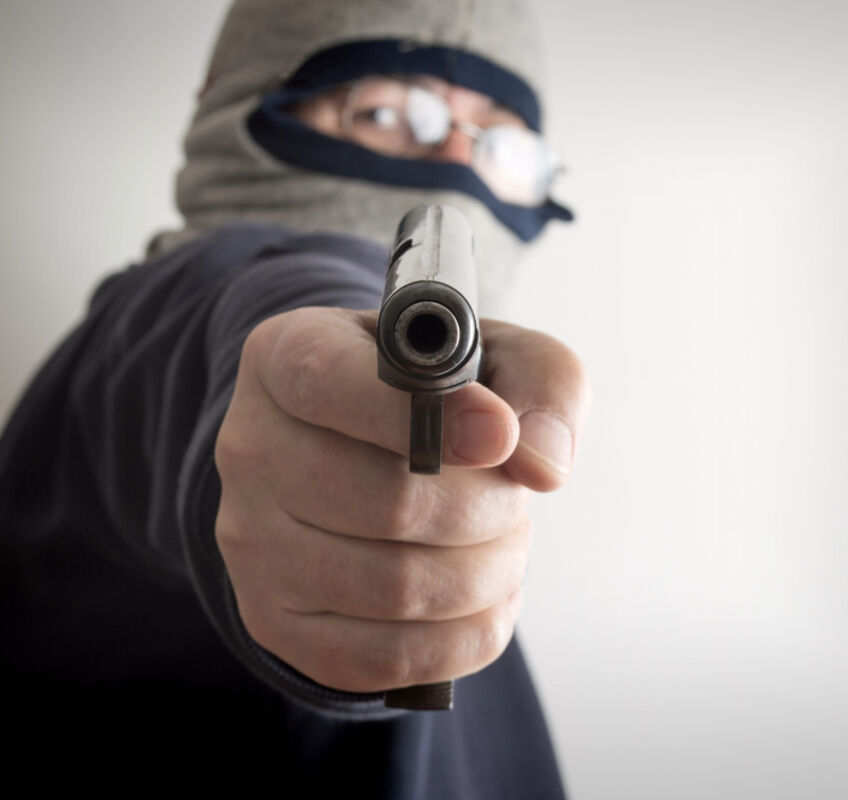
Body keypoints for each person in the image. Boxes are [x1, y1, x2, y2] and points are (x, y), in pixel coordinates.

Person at [0, 1, 588, 797]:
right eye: (385, 112)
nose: (454, 163)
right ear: (231, 99)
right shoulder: (177, 308)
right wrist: (302, 465)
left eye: (501, 145)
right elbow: (260, 308)